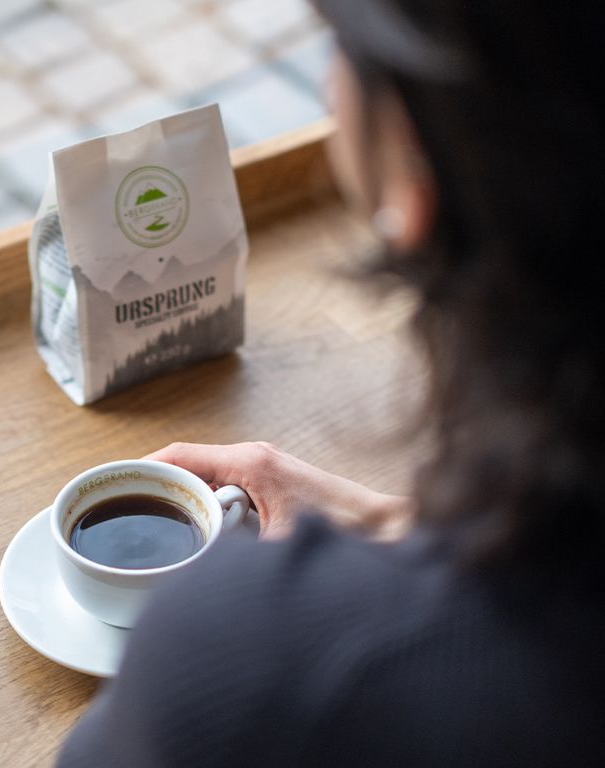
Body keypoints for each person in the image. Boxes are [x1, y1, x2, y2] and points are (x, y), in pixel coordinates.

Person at [58, 2, 605, 765]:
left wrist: (269, 610)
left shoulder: (250, 660)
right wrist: (391, 525)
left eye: (340, 46)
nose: (325, 84)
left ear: (413, 166)